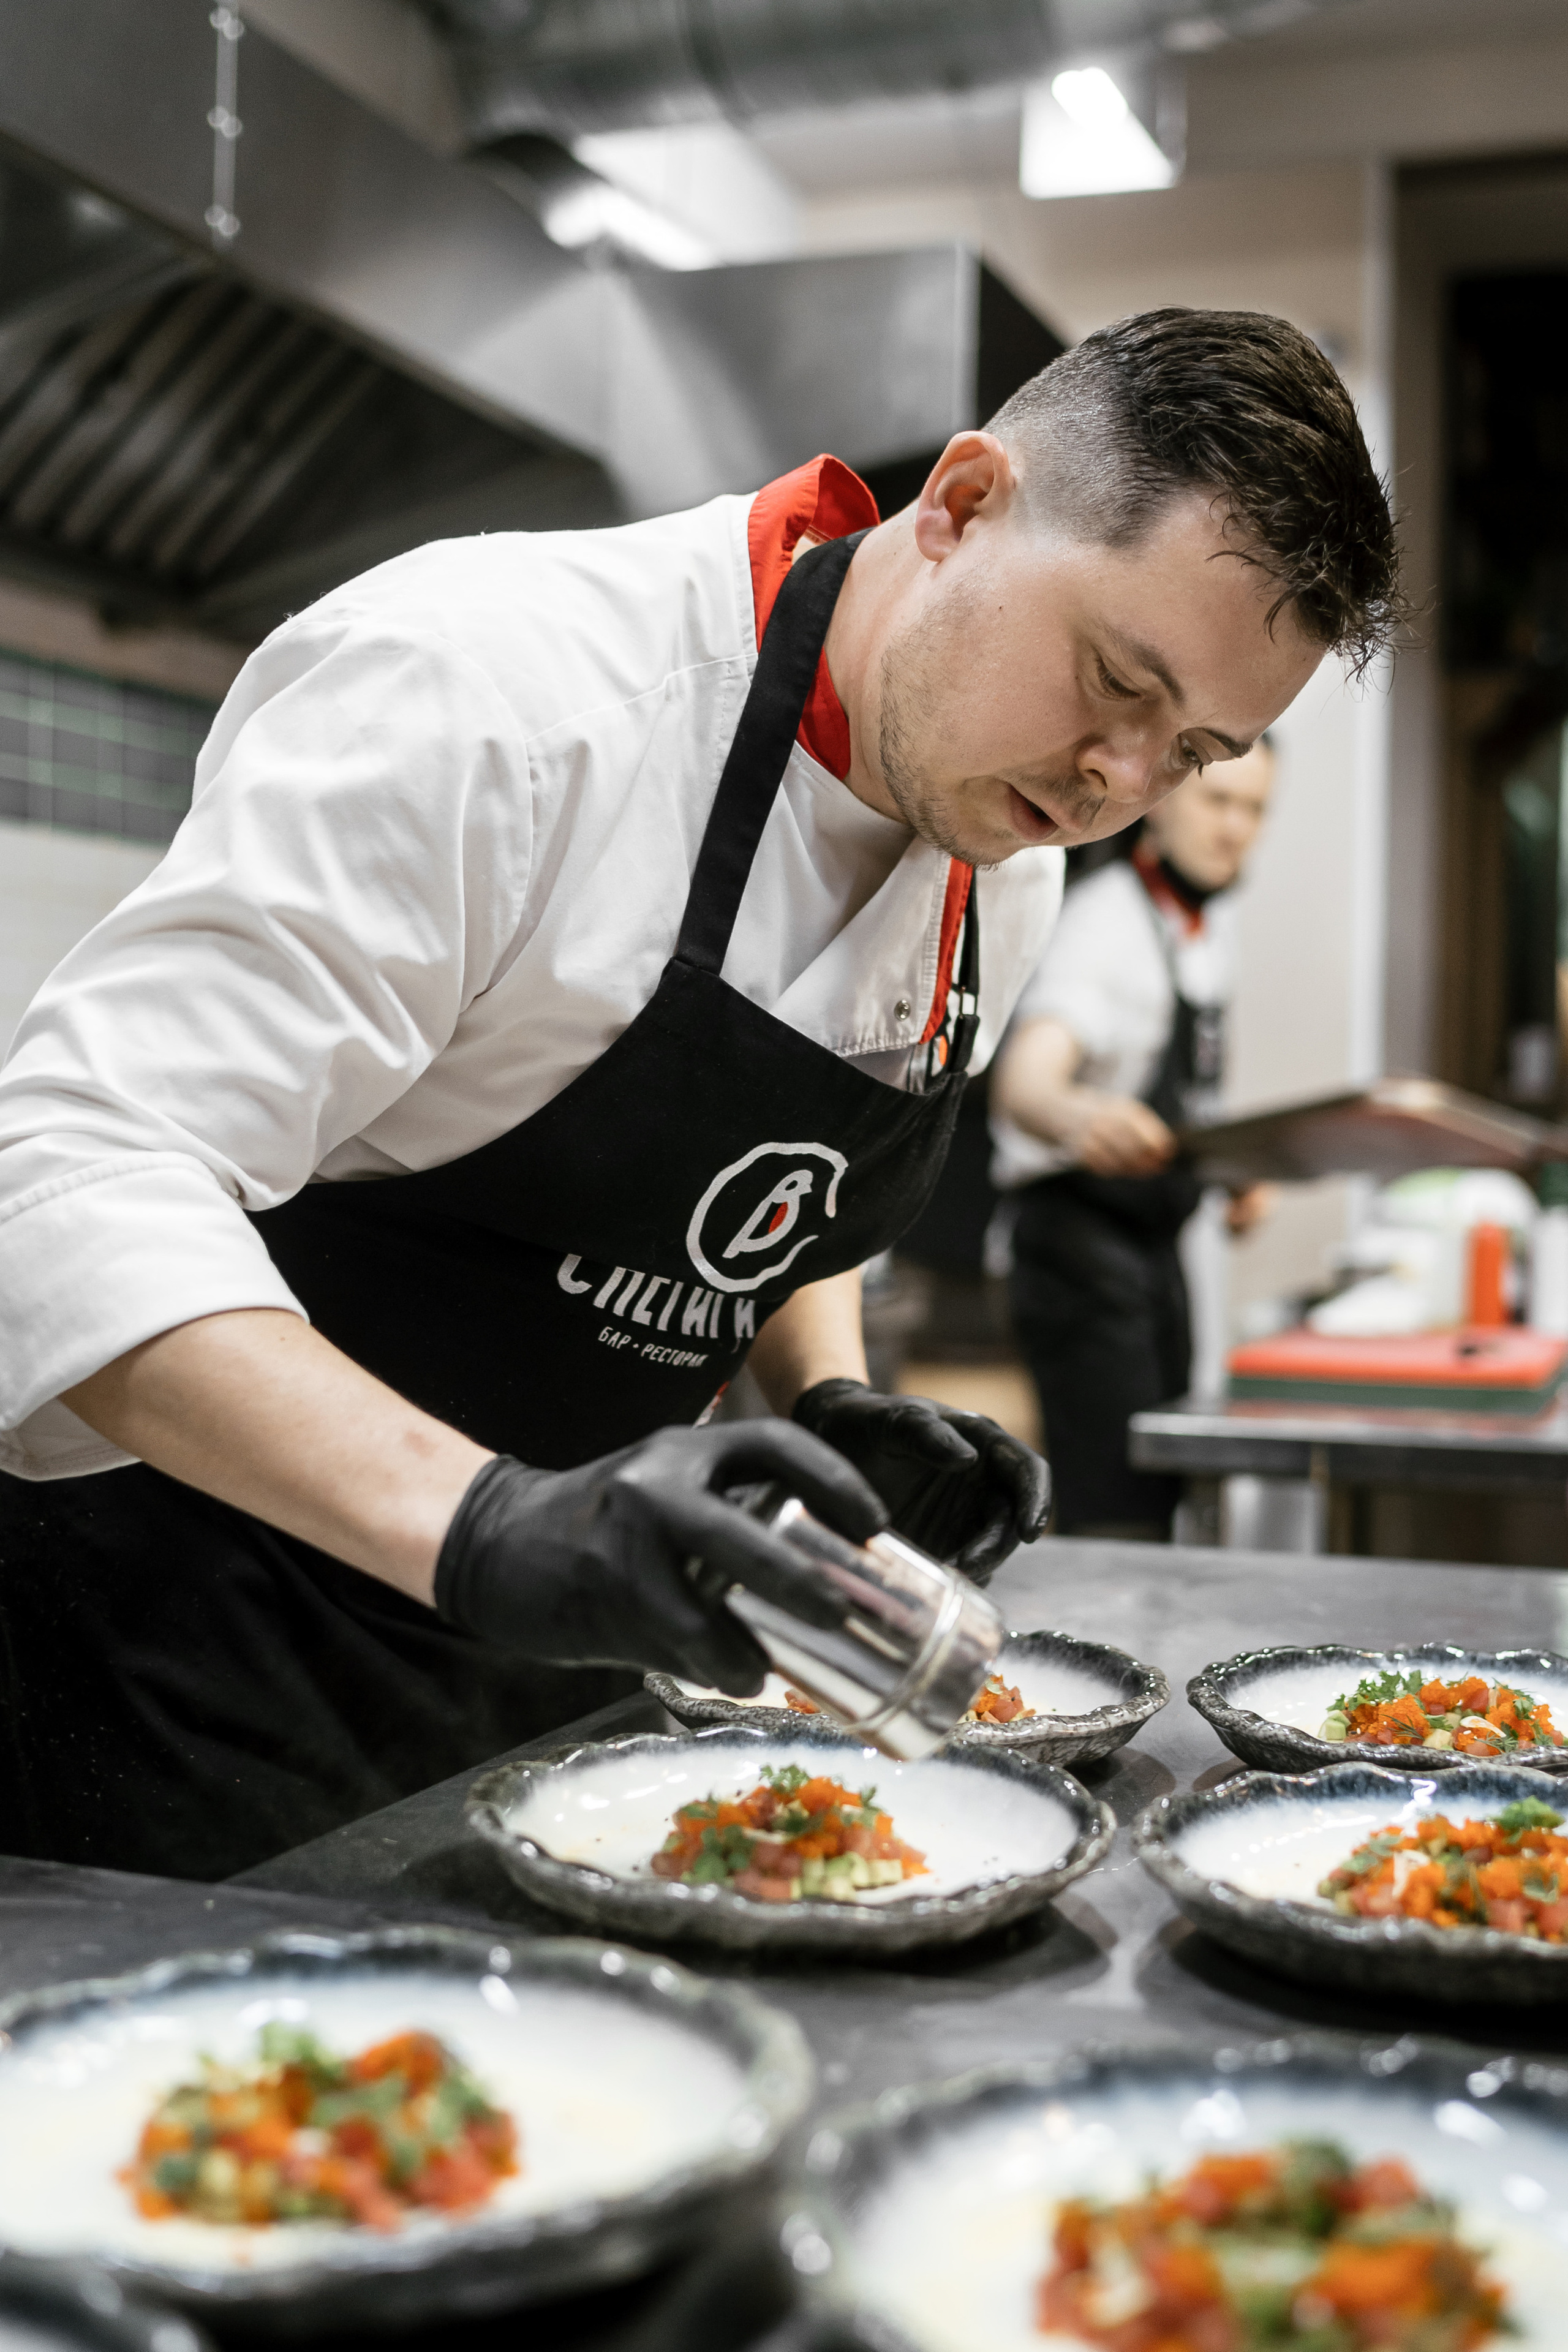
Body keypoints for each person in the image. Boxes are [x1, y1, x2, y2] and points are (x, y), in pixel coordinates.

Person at [0, 308, 1398, 1877]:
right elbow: (63, 1181)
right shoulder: (499, 696)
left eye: (1192, 750)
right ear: (958, 504)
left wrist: (827, 1396)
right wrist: (482, 1526)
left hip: (548, 1710)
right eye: (1111, 681)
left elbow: (785, 1187)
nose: (1117, 785)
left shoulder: (998, 858)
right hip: (175, 1685)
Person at [991, 738, 1279, 1537]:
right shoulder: (1105, 923)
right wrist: (1082, 1120)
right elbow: (1026, 1085)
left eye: (1255, 810)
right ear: (1162, 803)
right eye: (1219, 803)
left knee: (1165, 1484)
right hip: (1078, 1251)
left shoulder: (1202, 932)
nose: (1237, 829)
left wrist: (1229, 1170)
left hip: (1152, 1251)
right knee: (1115, 1508)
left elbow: (1186, 1101)